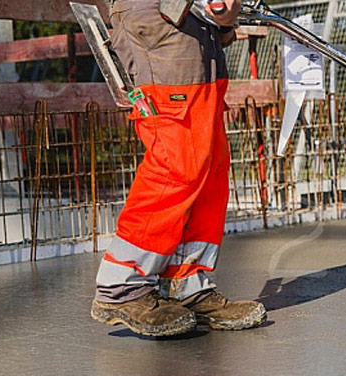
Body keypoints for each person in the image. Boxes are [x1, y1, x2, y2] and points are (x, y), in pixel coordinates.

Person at [91, 0, 266, 336]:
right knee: (176, 162)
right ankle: (121, 283)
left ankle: (186, 281)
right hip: (158, 17)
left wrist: (226, 16)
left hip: (196, 25)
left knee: (208, 166)